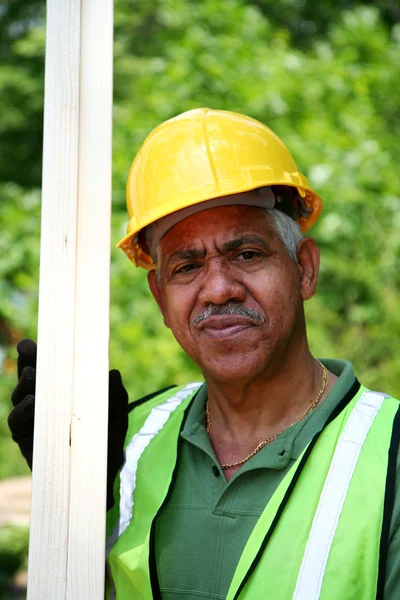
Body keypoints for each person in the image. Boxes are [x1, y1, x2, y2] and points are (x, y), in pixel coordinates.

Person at [9, 108, 400, 600]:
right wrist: (70, 503)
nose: (217, 289)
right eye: (187, 266)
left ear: (304, 269)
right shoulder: (124, 442)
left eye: (246, 255)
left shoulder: (390, 456)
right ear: (160, 300)